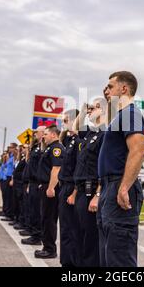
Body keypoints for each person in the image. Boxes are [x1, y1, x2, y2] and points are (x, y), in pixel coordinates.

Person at [97, 71, 144, 267]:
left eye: (110, 86)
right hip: (109, 187)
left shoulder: (131, 113)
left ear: (123, 88)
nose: (106, 90)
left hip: (119, 185)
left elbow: (137, 151)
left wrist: (124, 187)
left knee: (119, 257)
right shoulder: (118, 116)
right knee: (107, 255)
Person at [74, 98, 107, 267]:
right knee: (81, 235)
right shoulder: (91, 133)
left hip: (92, 191)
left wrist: (98, 195)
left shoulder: (104, 135)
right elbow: (75, 128)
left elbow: (103, 167)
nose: (91, 110)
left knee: (91, 239)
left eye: (95, 107)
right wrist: (83, 109)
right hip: (81, 190)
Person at [35, 124, 64, 259]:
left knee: (49, 219)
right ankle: (46, 246)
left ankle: (50, 249)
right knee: (45, 218)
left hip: (51, 187)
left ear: (53, 134)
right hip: (46, 186)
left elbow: (56, 169)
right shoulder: (49, 148)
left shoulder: (56, 148)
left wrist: (51, 187)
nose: (43, 137)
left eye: (45, 134)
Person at [57, 109, 81, 267]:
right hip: (63, 187)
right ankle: (65, 262)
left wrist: (74, 192)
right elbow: (60, 140)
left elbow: (79, 169)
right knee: (64, 228)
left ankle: (70, 264)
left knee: (71, 230)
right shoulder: (69, 140)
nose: (63, 124)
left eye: (66, 121)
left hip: (72, 188)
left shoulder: (79, 140)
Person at [21, 126, 45, 246]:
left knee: (37, 211)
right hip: (32, 182)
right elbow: (29, 163)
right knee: (32, 209)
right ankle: (33, 232)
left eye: (37, 132)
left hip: (38, 182)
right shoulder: (35, 147)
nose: (34, 134)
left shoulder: (44, 147)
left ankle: (37, 236)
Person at [10, 145, 27, 230]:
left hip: (21, 183)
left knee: (21, 204)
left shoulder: (26, 159)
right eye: (21, 148)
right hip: (17, 183)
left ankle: (21, 222)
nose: (21, 150)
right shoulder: (22, 158)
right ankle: (17, 219)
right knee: (16, 202)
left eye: (24, 148)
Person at [1, 143, 17, 221]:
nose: (9, 149)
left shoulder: (14, 157)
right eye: (9, 147)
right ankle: (6, 211)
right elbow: (5, 166)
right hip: (6, 177)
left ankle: (9, 214)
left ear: (14, 148)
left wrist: (12, 179)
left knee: (9, 197)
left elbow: (14, 168)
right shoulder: (10, 157)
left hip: (10, 177)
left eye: (11, 147)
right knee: (6, 196)